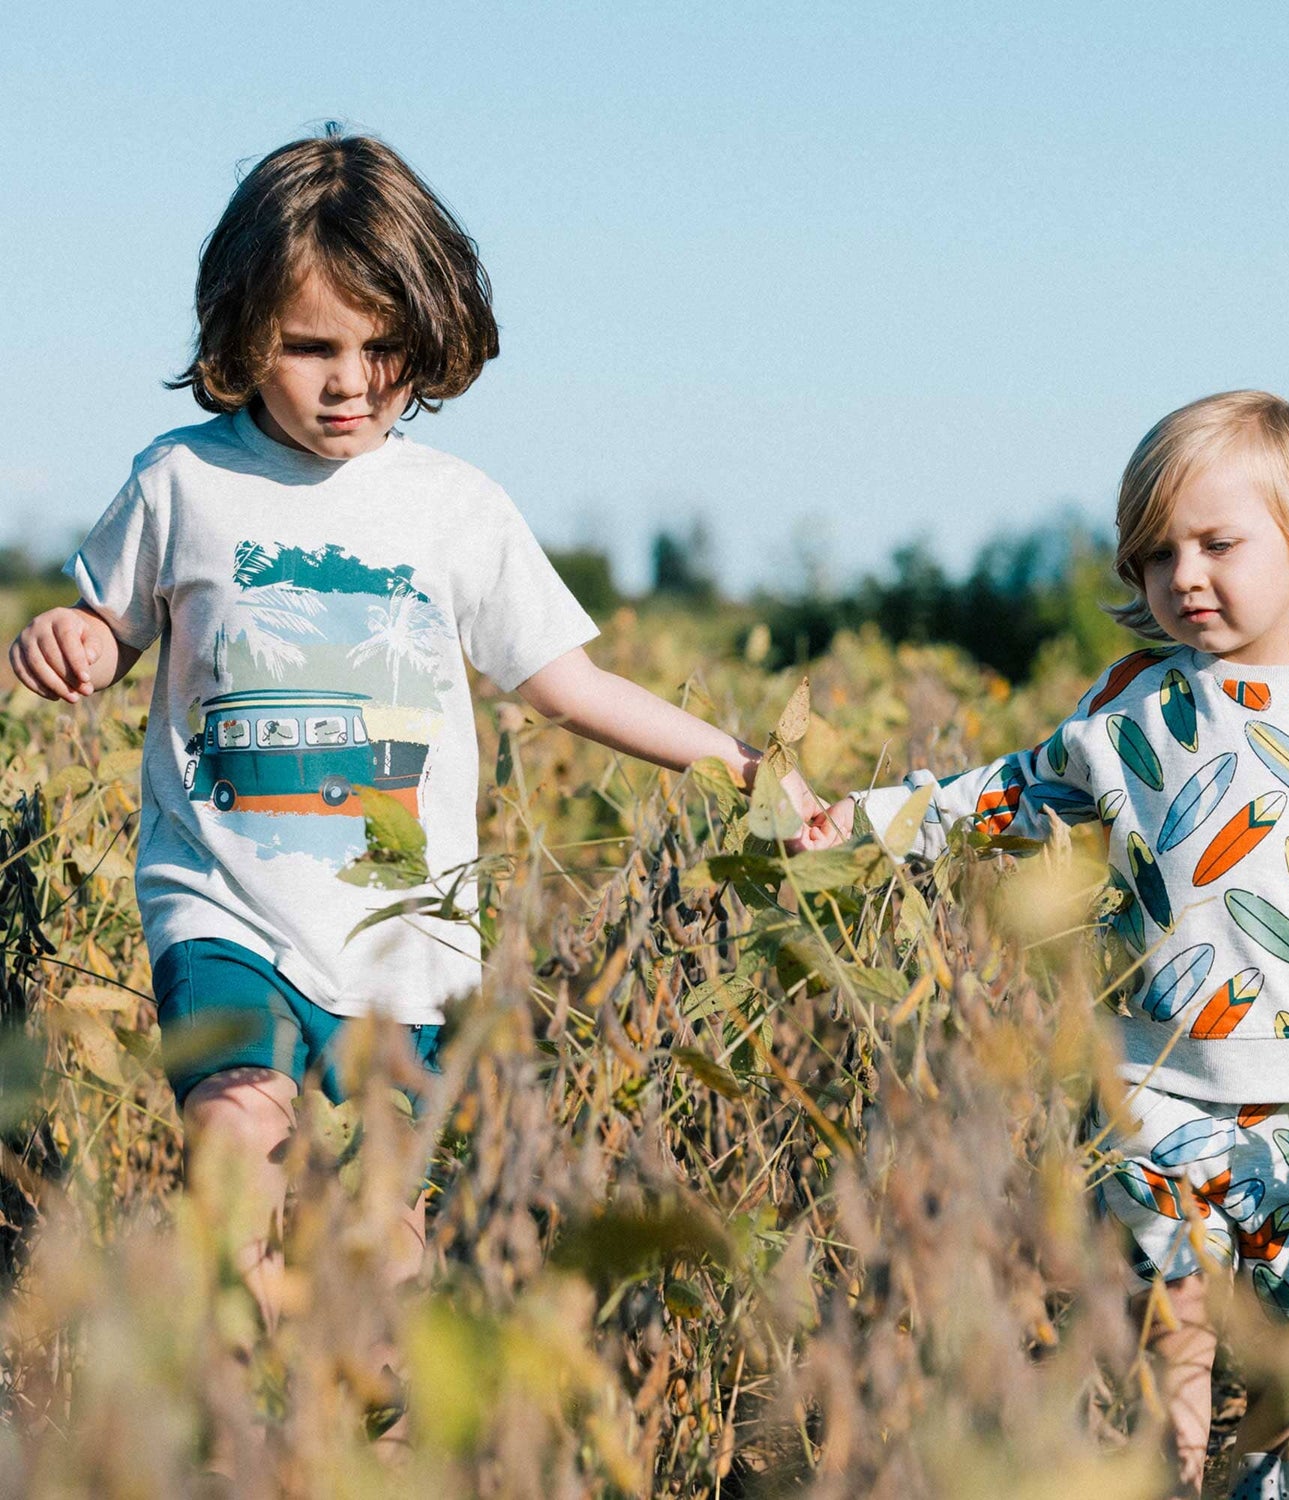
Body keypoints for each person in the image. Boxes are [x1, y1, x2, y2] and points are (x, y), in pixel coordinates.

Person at [8, 129, 819, 1336]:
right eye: (311, 347)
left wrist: (743, 767)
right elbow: (108, 627)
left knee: (386, 1233)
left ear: (431, 336)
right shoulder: (182, 483)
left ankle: (351, 1411)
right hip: (222, 908)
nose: (351, 382)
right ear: (243, 333)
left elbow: (570, 686)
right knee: (235, 1134)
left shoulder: (454, 509)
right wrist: (69, 638)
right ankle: (243, 1389)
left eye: (383, 348)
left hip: (406, 945)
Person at [794, 391, 1289, 1499]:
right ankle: (1170, 1472)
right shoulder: (1131, 706)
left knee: (1288, 1337)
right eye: (1157, 554)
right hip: (1150, 1079)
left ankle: (1268, 1478)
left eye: (1217, 544)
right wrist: (868, 822)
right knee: (1172, 1312)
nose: (1185, 577)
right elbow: (1010, 794)